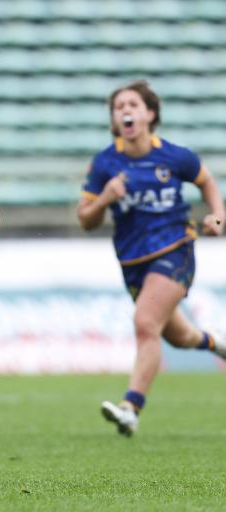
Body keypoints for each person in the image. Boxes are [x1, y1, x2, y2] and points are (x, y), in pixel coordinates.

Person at [77, 80, 226, 437]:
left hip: (175, 250)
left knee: (145, 322)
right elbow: (86, 219)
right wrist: (105, 198)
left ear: (150, 113)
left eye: (133, 104)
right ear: (115, 118)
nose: (125, 110)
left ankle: (131, 407)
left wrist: (217, 216)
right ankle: (218, 344)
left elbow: (206, 182)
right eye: (118, 106)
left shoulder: (175, 156)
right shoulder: (105, 164)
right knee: (178, 335)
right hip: (133, 264)